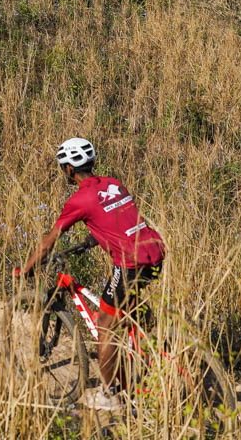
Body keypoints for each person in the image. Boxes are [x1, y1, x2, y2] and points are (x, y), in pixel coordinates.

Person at [15, 137, 166, 411]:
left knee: (106, 328)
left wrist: (27, 268)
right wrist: (92, 239)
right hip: (154, 251)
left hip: (130, 263)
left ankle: (110, 395)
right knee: (126, 310)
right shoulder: (114, 184)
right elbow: (118, 216)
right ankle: (147, 346)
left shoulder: (78, 199)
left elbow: (50, 239)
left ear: (69, 170)